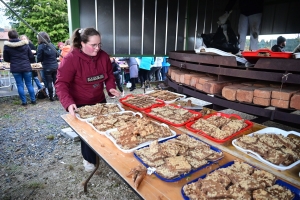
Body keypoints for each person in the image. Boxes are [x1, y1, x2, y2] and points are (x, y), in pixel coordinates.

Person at [55, 27, 120, 172]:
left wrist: (110, 88)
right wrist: (68, 103)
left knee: (104, 128)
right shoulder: (71, 59)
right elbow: (61, 83)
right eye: (93, 45)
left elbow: (109, 75)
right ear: (82, 43)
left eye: (99, 45)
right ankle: (89, 159)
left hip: (99, 100)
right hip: (80, 103)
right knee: (87, 133)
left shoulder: (103, 56)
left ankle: (102, 152)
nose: (97, 48)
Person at [3, 30, 36, 105]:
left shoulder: (7, 46)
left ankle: (24, 102)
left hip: (15, 68)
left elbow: (6, 59)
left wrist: (12, 60)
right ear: (17, 36)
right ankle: (33, 100)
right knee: (29, 84)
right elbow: (31, 56)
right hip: (26, 67)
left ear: (9, 37)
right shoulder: (25, 44)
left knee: (19, 85)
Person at [37, 32, 59, 101]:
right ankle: (58, 95)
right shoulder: (52, 45)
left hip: (47, 66)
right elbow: (56, 55)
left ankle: (51, 97)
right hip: (55, 65)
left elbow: (39, 58)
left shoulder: (40, 47)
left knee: (49, 82)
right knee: (56, 81)